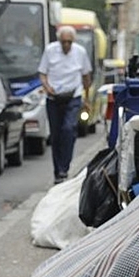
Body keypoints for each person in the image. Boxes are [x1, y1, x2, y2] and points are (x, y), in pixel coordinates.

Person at [38, 25, 92, 184]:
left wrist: (86, 99)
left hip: (73, 96)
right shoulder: (50, 51)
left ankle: (64, 168)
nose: (66, 45)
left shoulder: (80, 52)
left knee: (68, 129)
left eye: (69, 42)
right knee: (56, 135)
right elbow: (42, 73)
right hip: (54, 97)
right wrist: (48, 88)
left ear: (73, 41)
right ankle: (58, 171)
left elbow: (86, 76)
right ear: (59, 41)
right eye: (64, 42)